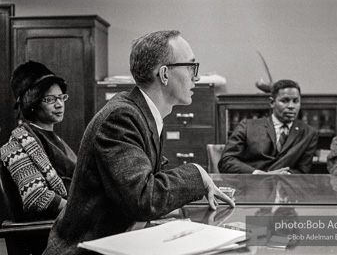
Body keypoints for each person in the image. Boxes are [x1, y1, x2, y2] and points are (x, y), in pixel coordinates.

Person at [43, 30, 234, 254]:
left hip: (119, 241)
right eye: (191, 67)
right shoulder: (121, 117)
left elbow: (151, 179)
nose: (196, 77)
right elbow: (144, 198)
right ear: (164, 74)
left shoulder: (143, 114)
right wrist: (197, 173)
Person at [0, 61, 76, 219]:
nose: (59, 104)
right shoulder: (17, 144)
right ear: (32, 103)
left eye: (61, 97)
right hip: (48, 232)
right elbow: (36, 197)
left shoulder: (56, 139)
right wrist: (82, 212)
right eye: (50, 99)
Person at [218, 80, 318, 174]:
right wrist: (258, 174)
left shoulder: (308, 133)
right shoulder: (248, 126)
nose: (291, 106)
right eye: (284, 101)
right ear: (272, 103)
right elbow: (226, 161)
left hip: (285, 187)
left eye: (296, 101)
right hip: (250, 185)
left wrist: (283, 175)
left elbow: (302, 171)